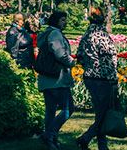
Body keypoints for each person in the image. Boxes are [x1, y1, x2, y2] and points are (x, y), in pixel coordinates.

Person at [76, 7, 118, 150]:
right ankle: (85, 138)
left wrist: (89, 64)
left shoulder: (86, 34)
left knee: (101, 113)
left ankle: (102, 146)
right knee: (103, 115)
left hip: (89, 76)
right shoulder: (101, 34)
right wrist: (113, 78)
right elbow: (109, 60)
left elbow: (79, 56)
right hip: (103, 78)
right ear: (103, 18)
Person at [36, 11, 76, 150]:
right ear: (56, 21)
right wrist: (72, 62)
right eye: (63, 20)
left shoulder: (47, 33)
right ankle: (48, 135)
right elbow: (60, 54)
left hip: (47, 78)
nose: (65, 22)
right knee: (67, 109)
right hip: (57, 78)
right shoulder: (55, 34)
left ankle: (52, 140)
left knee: (51, 110)